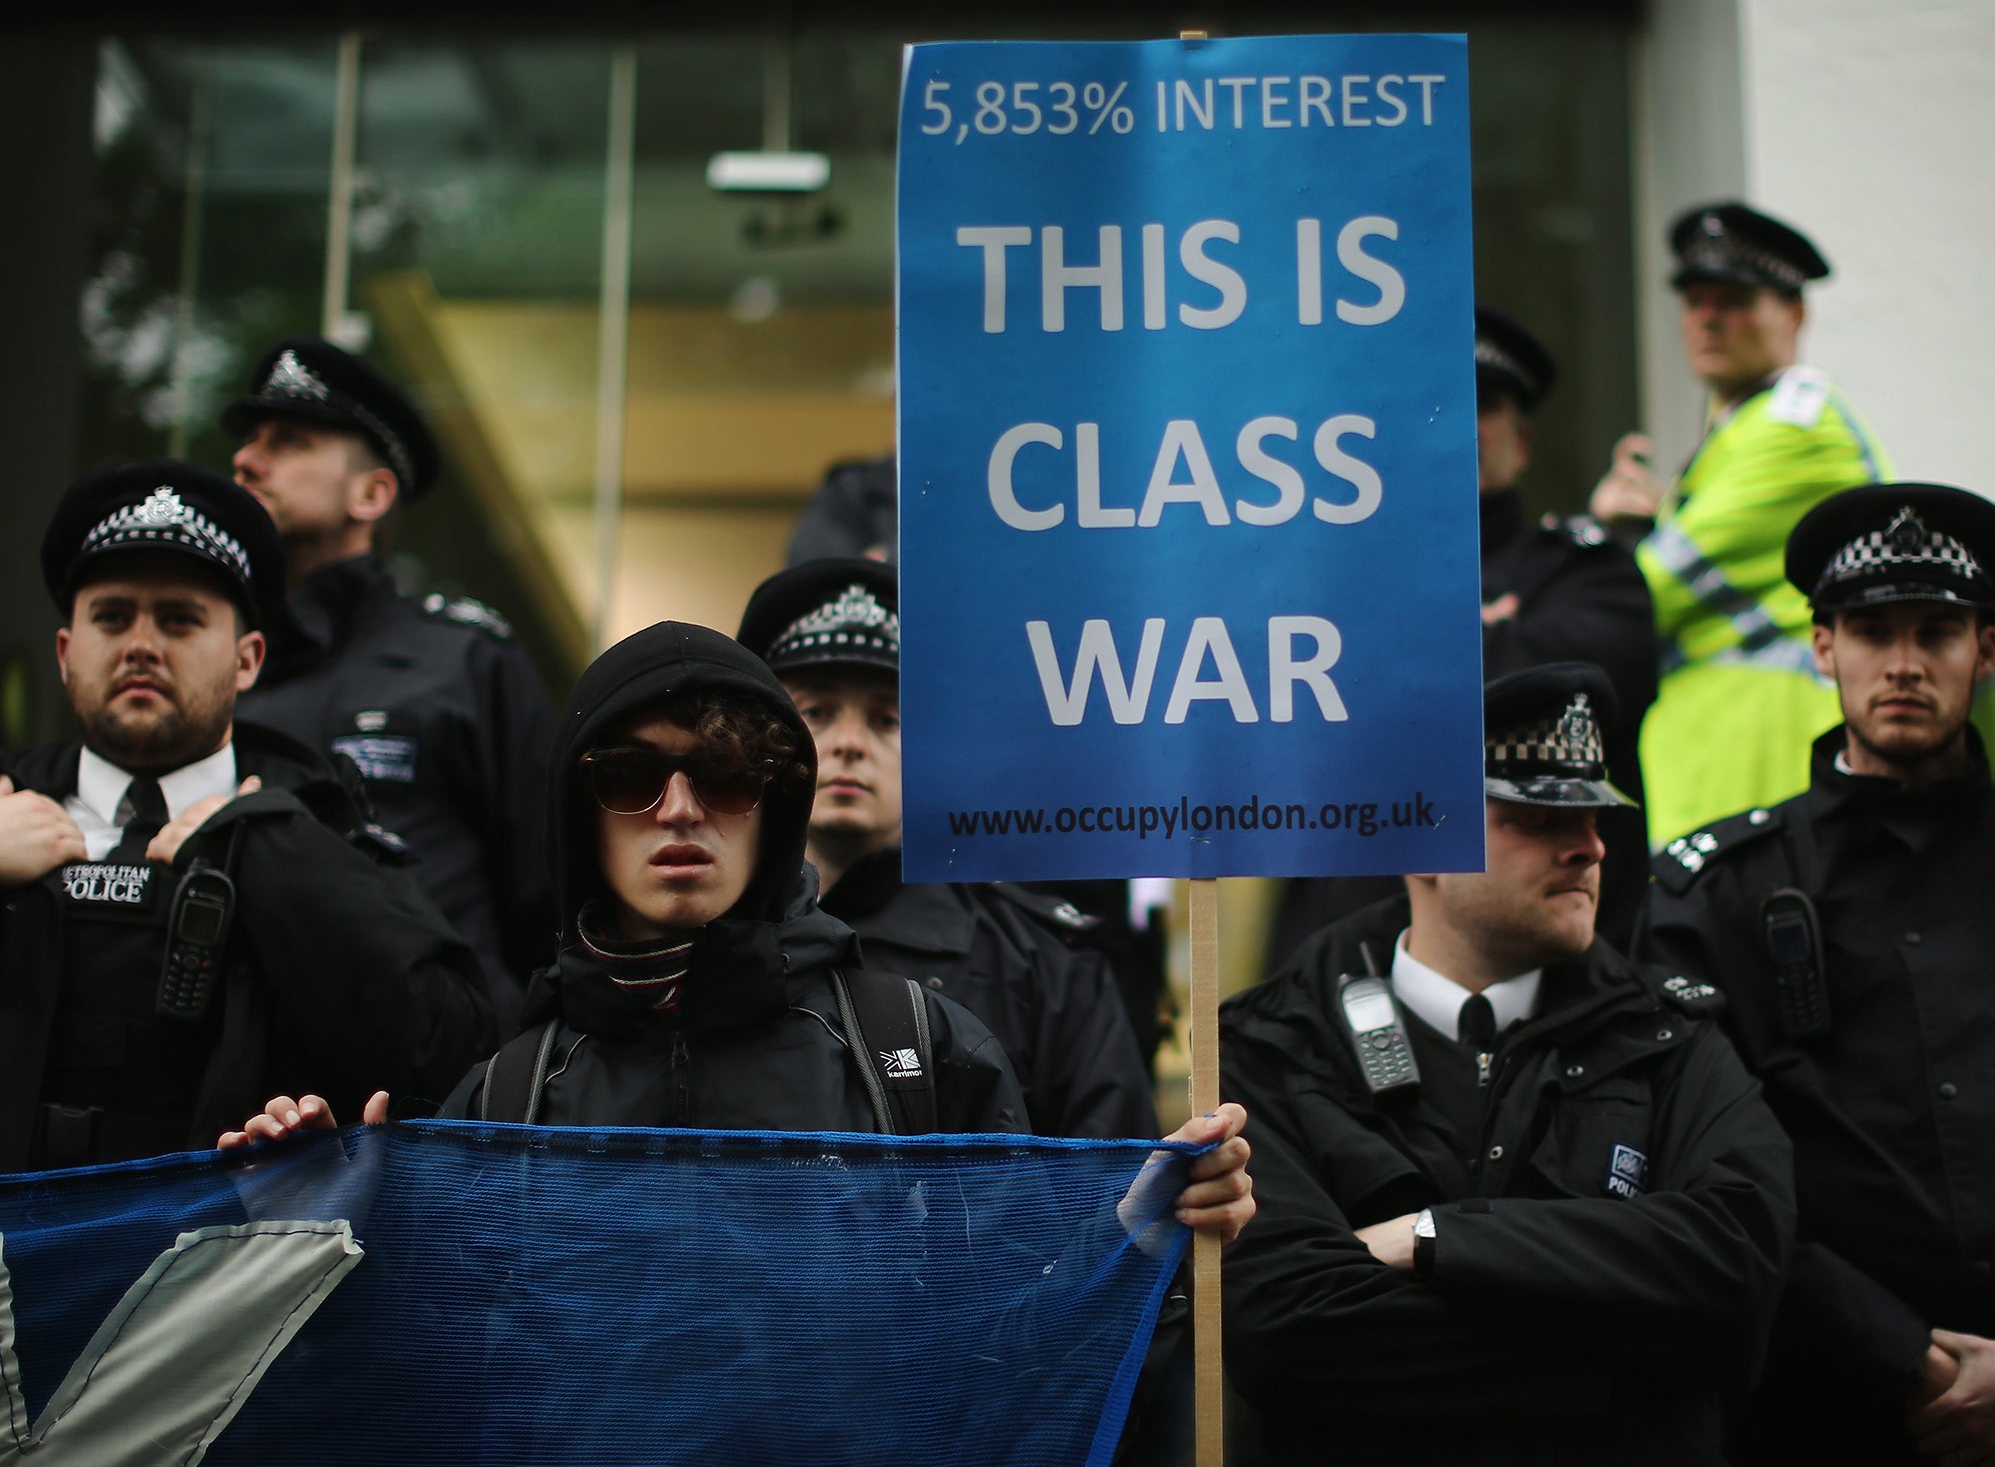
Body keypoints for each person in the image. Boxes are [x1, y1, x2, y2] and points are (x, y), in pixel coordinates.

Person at [224, 620, 1253, 1244]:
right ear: (580, 816)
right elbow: (447, 1385)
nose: (678, 810)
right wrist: (328, 1233)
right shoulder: (507, 1092)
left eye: (720, 776)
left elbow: (1010, 1351)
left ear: (772, 805)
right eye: (631, 776)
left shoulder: (921, 1057)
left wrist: (1136, 1234)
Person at [1221, 662, 1793, 1467]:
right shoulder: (1274, 1047)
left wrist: (1435, 1237)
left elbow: (1738, 1269)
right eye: (1541, 817)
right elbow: (1287, 1329)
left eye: (1593, 816)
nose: (1591, 846)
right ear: (1423, 843)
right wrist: (1632, 1343)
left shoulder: (1670, 1041)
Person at [1637, 482, 1995, 1467]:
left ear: (1983, 651)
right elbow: (1695, 1172)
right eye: (1870, 631)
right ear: (1822, 649)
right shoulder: (1715, 891)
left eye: (1935, 632)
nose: (1902, 664)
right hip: (1828, 1417)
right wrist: (1897, 1354)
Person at [0, 460, 495, 1171]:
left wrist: (275, 851)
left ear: (247, 659)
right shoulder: (7, 804)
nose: (142, 643)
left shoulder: (318, 828)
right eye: (112, 617)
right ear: (64, 652)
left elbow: (450, 1051)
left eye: (180, 619)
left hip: (218, 1265)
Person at [1266, 306, 1661, 970]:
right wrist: (1483, 633)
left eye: (1480, 404)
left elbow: (1554, 690)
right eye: (1435, 402)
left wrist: (1397, 646)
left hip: (1555, 987)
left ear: (1522, 442)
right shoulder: (1331, 576)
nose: (1455, 422)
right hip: (1350, 968)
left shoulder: (1588, 570)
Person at [735, 559, 1156, 1139]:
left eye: (888, 718)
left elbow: (1111, 1207)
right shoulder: (699, 941)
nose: (850, 745)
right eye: (816, 713)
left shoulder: (1044, 967)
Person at [225, 337, 556, 1033]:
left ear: (372, 493)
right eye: (250, 441)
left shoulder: (466, 659)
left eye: (288, 442)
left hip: (438, 1100)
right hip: (250, 1105)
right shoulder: (221, 666)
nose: (246, 461)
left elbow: (552, 908)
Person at [1590, 201, 1891, 845]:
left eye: (1734, 300)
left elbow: (1646, 595)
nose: (1708, 318)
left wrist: (1613, 544)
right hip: (1722, 770)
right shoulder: (1742, 428)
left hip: (1763, 769)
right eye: (1695, 300)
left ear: (1795, 313)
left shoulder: (1797, 432)